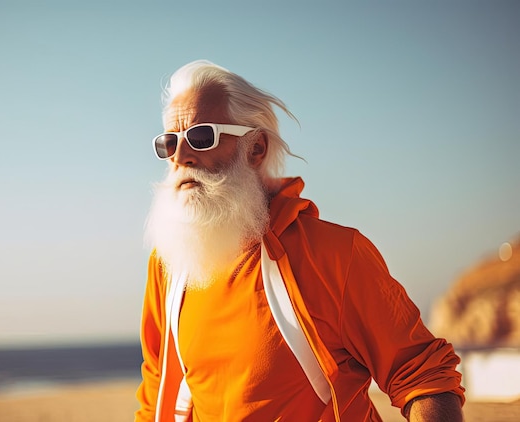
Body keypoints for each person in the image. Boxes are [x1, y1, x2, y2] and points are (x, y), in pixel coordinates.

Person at [135, 60, 464, 421]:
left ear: (255, 148)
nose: (181, 157)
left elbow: (424, 378)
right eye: (169, 143)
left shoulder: (336, 255)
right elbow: (157, 385)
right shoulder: (170, 264)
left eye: (201, 136)